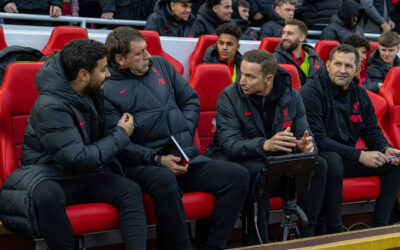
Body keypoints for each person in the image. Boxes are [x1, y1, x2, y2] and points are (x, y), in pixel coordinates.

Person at [103, 26, 249, 250]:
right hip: (142, 164)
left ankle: (214, 246)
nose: (148, 56)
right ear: (120, 59)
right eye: (140, 53)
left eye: (147, 49)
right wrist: (157, 159)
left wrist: (185, 129)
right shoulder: (106, 89)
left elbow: (190, 100)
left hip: (182, 154)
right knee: (164, 179)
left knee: (238, 176)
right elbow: (116, 142)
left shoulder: (160, 65)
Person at [0, 39, 147, 250]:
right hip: (46, 175)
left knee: (130, 190)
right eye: (104, 69)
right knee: (48, 195)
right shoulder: (49, 106)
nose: (109, 75)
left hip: (80, 174)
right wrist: (121, 134)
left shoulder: (92, 92)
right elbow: (77, 158)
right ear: (83, 75)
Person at [206, 49, 329, 244]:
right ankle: (260, 242)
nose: (241, 81)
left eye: (249, 76)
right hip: (236, 158)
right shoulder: (229, 96)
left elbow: (305, 134)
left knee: (318, 164)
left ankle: (306, 238)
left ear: (268, 79)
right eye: (241, 73)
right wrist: (265, 144)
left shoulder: (293, 96)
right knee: (259, 172)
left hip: (271, 156)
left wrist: (305, 146)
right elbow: (229, 145)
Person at [300, 44, 400, 230]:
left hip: (348, 157)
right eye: (338, 64)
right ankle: (335, 228)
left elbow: (371, 130)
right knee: (333, 160)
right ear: (328, 64)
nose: (342, 70)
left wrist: (386, 149)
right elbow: (318, 139)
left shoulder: (360, 93)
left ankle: (381, 227)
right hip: (320, 156)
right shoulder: (310, 92)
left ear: (357, 70)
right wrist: (360, 155)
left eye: (348, 66)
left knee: (394, 166)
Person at [274, 19, 324, 86]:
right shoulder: (274, 60)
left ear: (302, 37)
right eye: (283, 33)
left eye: (289, 33)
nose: (284, 37)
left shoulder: (315, 60)